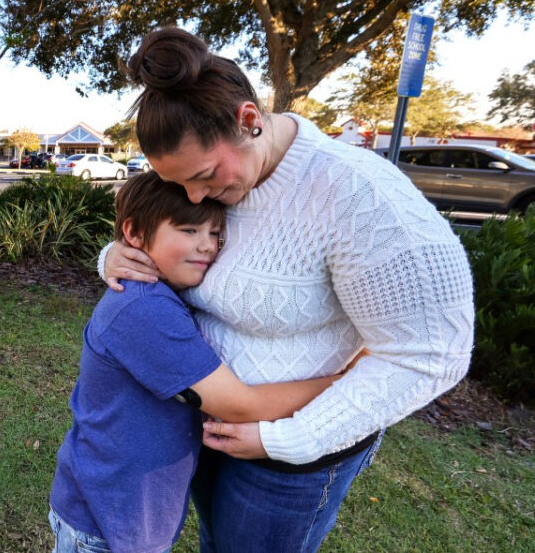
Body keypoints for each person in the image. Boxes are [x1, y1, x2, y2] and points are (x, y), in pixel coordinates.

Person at [101, 27, 474, 552]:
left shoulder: (361, 199)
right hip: (207, 428)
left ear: (249, 120)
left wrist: (291, 438)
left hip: (289, 459)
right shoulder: (214, 172)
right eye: (179, 183)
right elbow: (161, 234)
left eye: (204, 177)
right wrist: (117, 254)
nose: (194, 195)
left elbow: (433, 354)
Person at [50, 171, 358, 553]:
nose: (208, 247)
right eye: (189, 230)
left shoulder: (160, 294)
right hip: (108, 523)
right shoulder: (144, 309)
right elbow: (238, 404)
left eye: (215, 234)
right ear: (133, 233)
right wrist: (346, 379)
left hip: (125, 512)